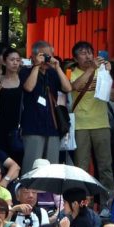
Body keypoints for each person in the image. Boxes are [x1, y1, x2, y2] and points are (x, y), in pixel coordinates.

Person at [69, 41, 114, 196]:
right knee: (81, 166)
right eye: (83, 53)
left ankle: (107, 203)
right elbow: (74, 86)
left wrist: (108, 73)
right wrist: (91, 69)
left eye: (90, 52)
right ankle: (82, 202)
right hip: (80, 125)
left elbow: (110, 94)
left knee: (105, 166)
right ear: (75, 59)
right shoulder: (71, 72)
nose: (88, 56)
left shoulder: (101, 71)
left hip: (101, 123)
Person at [19, 41, 73, 171]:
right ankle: (28, 191)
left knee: (51, 168)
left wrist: (58, 67)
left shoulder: (53, 73)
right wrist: (37, 66)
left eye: (50, 55)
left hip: (53, 126)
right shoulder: (25, 72)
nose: (47, 58)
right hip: (33, 126)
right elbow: (29, 87)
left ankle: (49, 192)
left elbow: (68, 87)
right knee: (31, 166)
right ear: (34, 55)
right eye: (44, 55)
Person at [0, 47, 25, 163]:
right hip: (1, 127)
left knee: (19, 161)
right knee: (1, 161)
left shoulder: (24, 81)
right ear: (4, 61)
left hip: (19, 128)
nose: (15, 63)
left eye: (18, 60)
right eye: (12, 59)